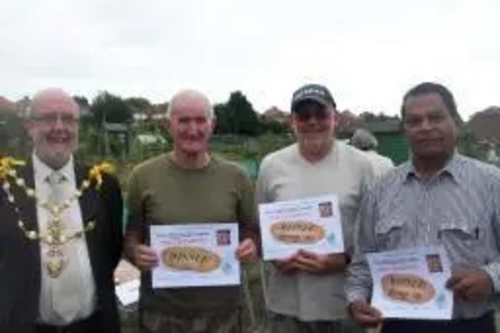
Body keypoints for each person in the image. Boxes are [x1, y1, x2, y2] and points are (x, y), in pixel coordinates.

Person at [346, 82, 500, 333]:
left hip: (468, 325)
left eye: (436, 117)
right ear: (404, 130)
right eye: (414, 121)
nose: (425, 127)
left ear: (456, 121)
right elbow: (362, 262)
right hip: (397, 325)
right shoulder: (380, 190)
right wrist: (357, 300)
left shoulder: (492, 183)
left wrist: (491, 278)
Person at [124, 89, 259, 333]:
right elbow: (132, 234)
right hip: (161, 314)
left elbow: (251, 231)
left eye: (200, 120)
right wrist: (135, 252)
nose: (193, 129)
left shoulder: (237, 177)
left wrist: (251, 245)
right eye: (183, 120)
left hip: (223, 314)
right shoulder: (142, 176)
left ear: (212, 125)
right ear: (168, 125)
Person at [0, 88, 124, 333]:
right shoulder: (5, 187)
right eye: (48, 118)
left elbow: (111, 252)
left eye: (68, 119)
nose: (60, 127)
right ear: (29, 126)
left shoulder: (103, 185)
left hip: (94, 327)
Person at [256, 84, 374, 333]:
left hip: (344, 306)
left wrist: (342, 260)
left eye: (320, 114)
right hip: (287, 306)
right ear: (292, 121)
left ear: (336, 118)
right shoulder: (271, 166)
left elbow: (374, 235)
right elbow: (260, 232)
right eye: (303, 115)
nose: (312, 121)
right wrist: (275, 257)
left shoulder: (361, 165)